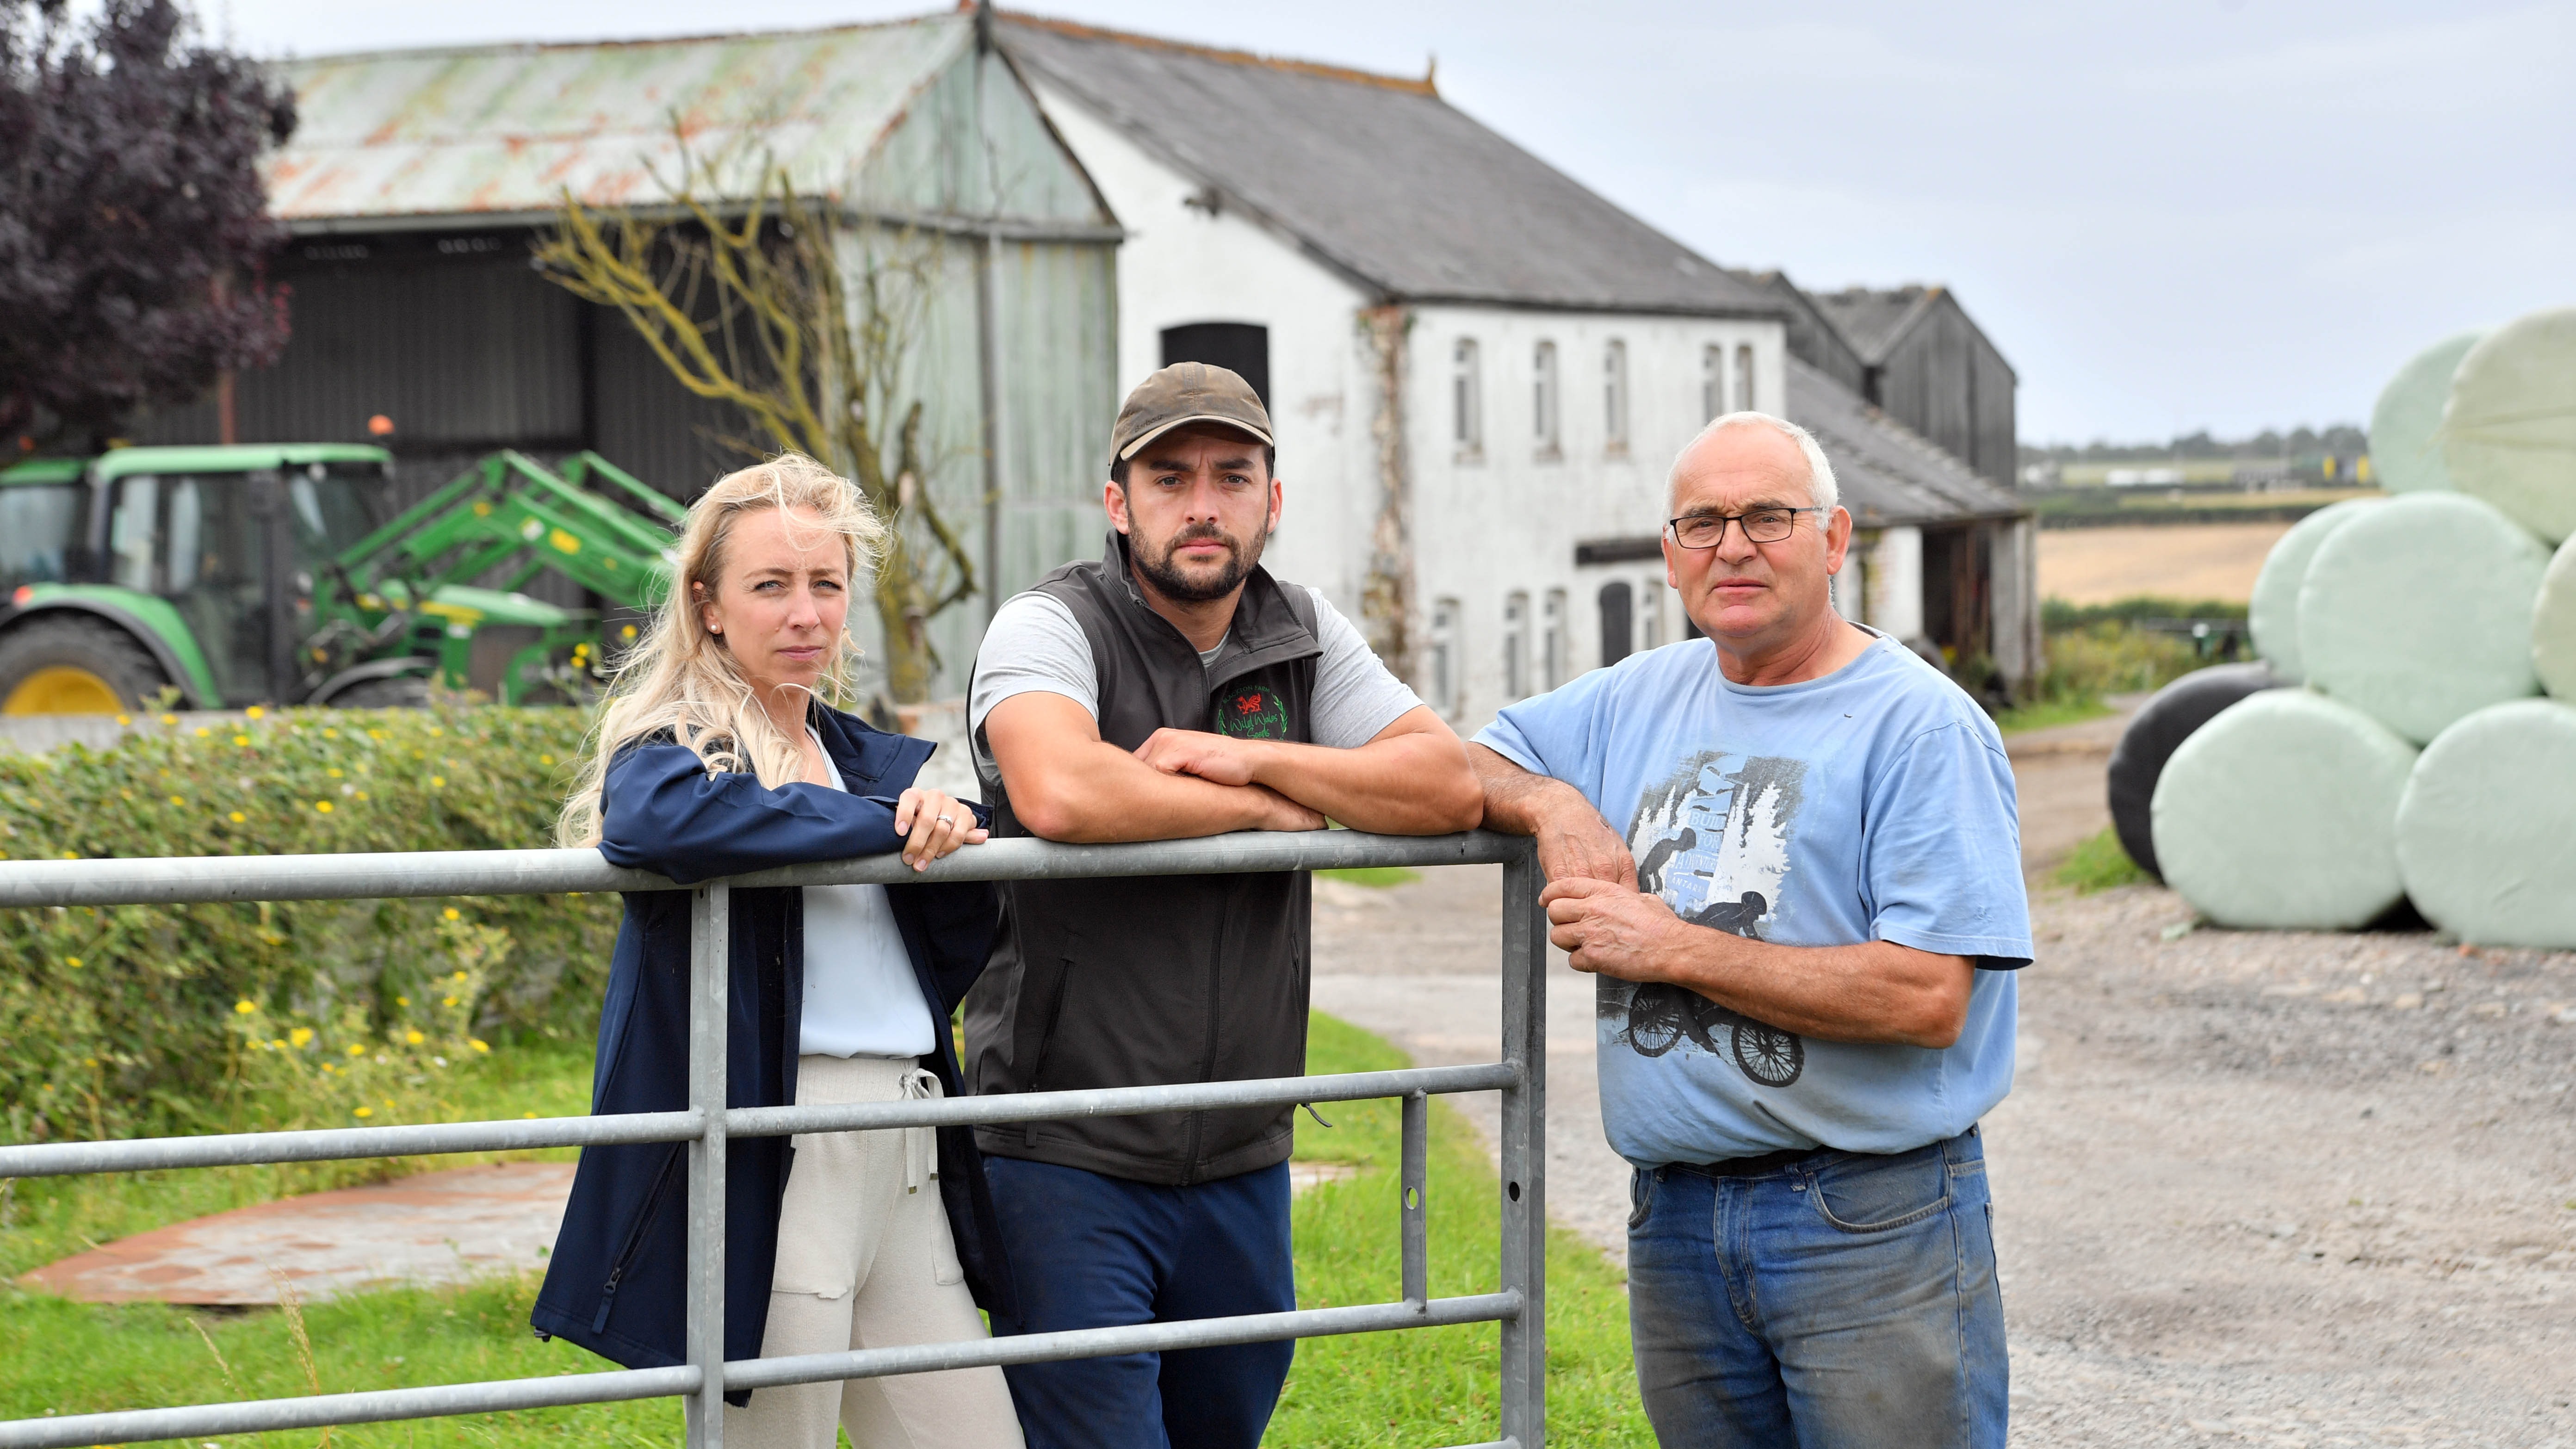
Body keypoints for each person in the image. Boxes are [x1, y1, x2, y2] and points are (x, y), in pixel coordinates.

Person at [1469, 412, 2031, 1448]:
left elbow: (1928, 997)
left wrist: (1669, 946)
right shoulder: (1635, 696)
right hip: (1676, 1219)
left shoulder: (1922, 725)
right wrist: (1555, 806)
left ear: (1835, 538)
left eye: (1769, 516)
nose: (1734, 545)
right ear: (1671, 553)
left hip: (1867, 1219)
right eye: (1703, 521)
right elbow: (1466, 763)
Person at [964, 363, 1484, 1449]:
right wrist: (1271, 810)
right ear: (1119, 504)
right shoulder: (1049, 626)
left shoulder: (1299, 628)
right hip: (1066, 1154)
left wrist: (1248, 762)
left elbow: (1443, 784)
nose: (1202, 505)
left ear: (1272, 501)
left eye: (1231, 476)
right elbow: (1062, 789)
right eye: (1170, 478)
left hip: (1245, 1158)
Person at [531, 454, 1023, 1449]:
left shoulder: (862, 756)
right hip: (780, 1148)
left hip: (909, 1135)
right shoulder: (675, 747)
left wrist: (941, 819)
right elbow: (657, 824)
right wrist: (885, 823)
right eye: (771, 585)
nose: (805, 613)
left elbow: (950, 931)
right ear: (708, 606)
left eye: (827, 584)